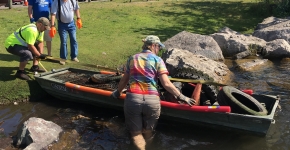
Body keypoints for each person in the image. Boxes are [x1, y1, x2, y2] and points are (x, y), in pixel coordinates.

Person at [110, 35, 195, 150]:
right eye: (159, 47)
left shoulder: (133, 59)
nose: (159, 49)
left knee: (136, 134)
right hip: (152, 101)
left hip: (133, 99)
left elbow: (124, 80)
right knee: (148, 132)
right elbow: (166, 83)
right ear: (153, 45)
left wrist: (117, 92)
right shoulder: (158, 60)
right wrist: (182, 97)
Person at [49, 0, 82, 65]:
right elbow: (53, 14)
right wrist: (52, 26)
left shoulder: (73, 1)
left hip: (71, 24)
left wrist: (79, 18)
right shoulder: (56, 2)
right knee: (64, 41)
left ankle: (74, 56)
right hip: (62, 25)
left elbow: (76, 9)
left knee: (74, 39)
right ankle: (63, 58)